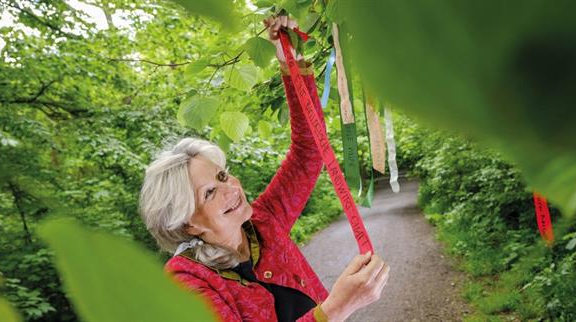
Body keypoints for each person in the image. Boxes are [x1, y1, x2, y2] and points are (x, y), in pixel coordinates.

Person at [139, 16, 390, 322]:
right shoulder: (187, 283)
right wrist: (336, 308)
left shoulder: (262, 221)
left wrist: (290, 59)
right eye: (209, 192)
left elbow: (309, 152)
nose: (230, 189)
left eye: (221, 175)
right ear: (188, 224)